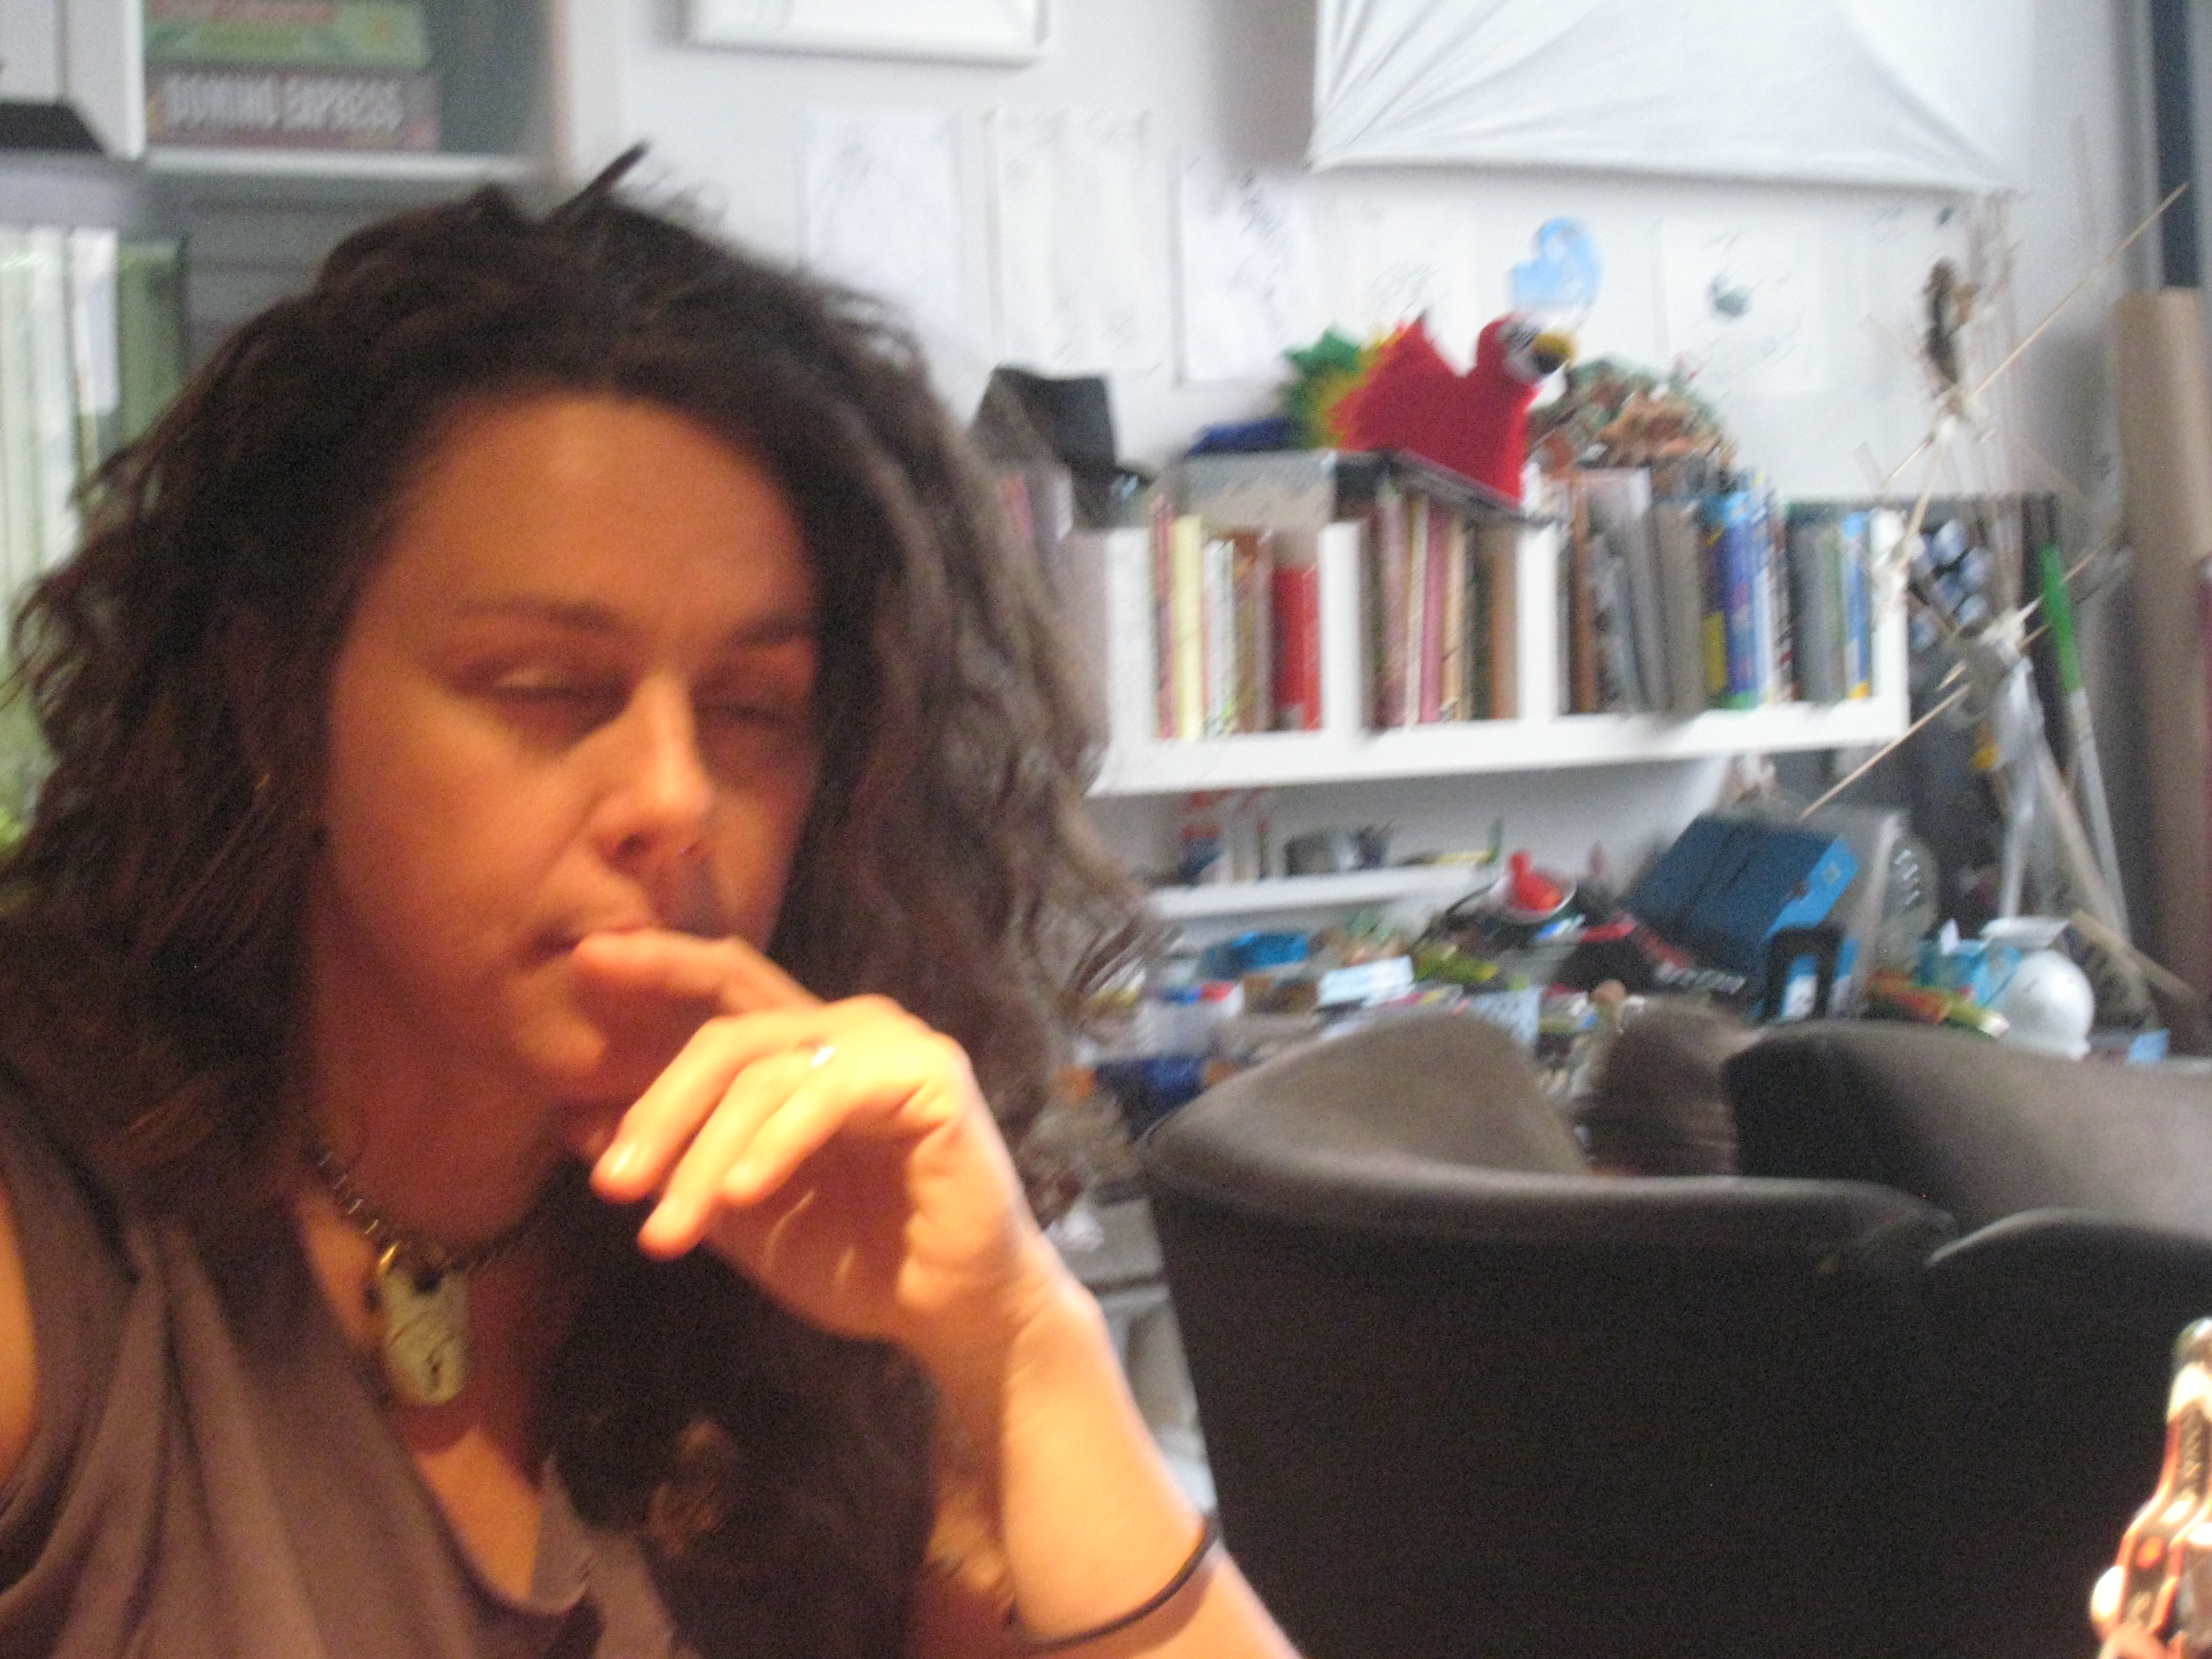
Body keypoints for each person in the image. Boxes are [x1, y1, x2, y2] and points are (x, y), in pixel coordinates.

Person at [0, 151, 1298, 1658]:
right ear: (279, 706)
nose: (673, 796)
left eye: (753, 709)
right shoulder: (64, 1244)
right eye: (544, 687)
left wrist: (1019, 1350)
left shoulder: (820, 1241)